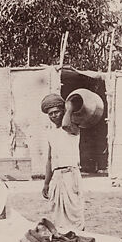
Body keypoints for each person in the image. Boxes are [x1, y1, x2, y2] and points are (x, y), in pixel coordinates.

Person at [41, 93, 85, 231]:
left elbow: (65, 125)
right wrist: (46, 182)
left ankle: (78, 237)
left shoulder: (73, 128)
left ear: (63, 111)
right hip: (57, 177)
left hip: (70, 175)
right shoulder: (51, 134)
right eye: (50, 114)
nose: (53, 116)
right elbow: (49, 160)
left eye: (56, 112)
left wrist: (70, 108)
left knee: (74, 212)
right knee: (57, 214)